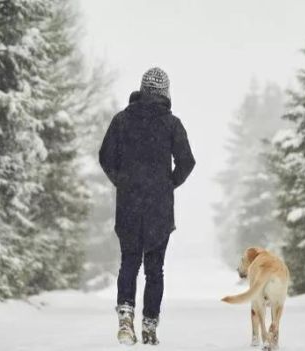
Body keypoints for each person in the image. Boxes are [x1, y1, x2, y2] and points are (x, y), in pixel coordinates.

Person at [99, 67, 196, 345]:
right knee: (155, 269)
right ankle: (150, 326)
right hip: (159, 208)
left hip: (129, 204)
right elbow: (187, 162)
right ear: (165, 93)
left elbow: (106, 156)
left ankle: (125, 317)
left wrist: (123, 181)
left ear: (142, 90)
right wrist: (168, 184)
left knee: (129, 261)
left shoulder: (122, 120)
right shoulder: (172, 124)